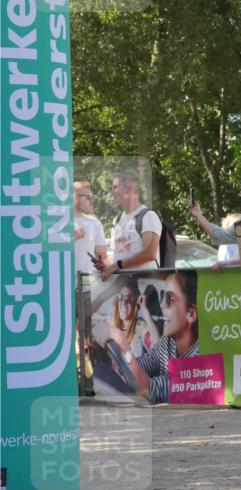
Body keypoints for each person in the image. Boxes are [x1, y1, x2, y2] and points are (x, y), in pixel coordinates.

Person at [103, 271, 199, 406]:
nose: (161, 304)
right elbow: (145, 362)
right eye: (161, 296)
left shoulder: (200, 356)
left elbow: (149, 390)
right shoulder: (167, 343)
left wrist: (123, 347)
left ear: (190, 314)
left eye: (169, 298)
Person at [94, 170, 162, 281]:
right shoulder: (117, 220)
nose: (112, 192)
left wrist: (117, 265)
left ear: (129, 188)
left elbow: (149, 254)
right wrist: (106, 265)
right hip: (122, 287)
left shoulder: (148, 216)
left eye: (115, 187)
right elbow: (118, 255)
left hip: (145, 288)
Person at [73, 181, 107, 275]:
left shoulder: (95, 223)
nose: (91, 200)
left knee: (87, 289)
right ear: (76, 197)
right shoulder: (57, 223)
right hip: (63, 281)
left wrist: (101, 258)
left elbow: (102, 254)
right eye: (88, 197)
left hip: (87, 280)